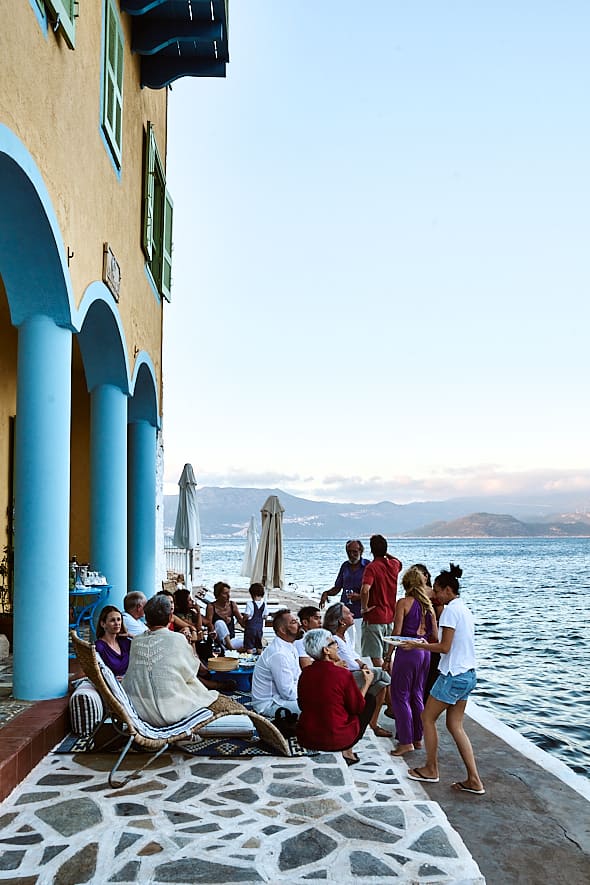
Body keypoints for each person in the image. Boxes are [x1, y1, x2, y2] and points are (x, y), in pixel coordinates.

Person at [402, 563, 485, 795]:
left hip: (453, 675)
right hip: (468, 675)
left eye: (437, 590)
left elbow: (444, 647)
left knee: (426, 718)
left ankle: (431, 768)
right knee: (454, 725)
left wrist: (416, 645)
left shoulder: (449, 610)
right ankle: (474, 780)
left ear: (448, 590)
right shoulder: (464, 609)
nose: (434, 594)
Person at [122, 594, 218, 727]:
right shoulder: (177, 639)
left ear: (147, 619)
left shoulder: (136, 641)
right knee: (197, 688)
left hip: (138, 709)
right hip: (171, 710)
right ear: (169, 618)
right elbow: (191, 671)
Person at [297, 628, 375, 765]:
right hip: (335, 739)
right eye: (333, 643)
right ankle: (348, 751)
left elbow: (302, 705)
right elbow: (357, 707)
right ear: (326, 650)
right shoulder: (342, 674)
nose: (337, 646)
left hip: (307, 736)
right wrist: (367, 683)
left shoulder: (306, 673)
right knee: (369, 700)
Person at [323, 602, 392, 738]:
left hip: (353, 673)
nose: (353, 614)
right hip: (345, 677)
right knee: (382, 673)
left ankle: (374, 724)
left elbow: (355, 656)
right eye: (348, 613)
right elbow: (351, 664)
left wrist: (363, 665)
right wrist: (362, 666)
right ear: (341, 621)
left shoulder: (345, 635)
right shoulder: (335, 640)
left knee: (381, 686)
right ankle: (394, 708)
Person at [389, 566, 437, 755]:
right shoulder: (428, 605)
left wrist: (388, 655)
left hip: (408, 650)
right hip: (424, 650)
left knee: (400, 696)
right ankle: (418, 738)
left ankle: (405, 741)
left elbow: (397, 632)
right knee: (417, 694)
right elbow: (434, 633)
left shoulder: (404, 603)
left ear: (406, 584)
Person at [360, 534, 402, 666]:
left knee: (376, 657)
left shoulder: (372, 567)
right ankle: (392, 683)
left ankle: (386, 684)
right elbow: (399, 561)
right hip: (390, 616)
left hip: (374, 617)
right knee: (387, 656)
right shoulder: (394, 565)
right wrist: (385, 553)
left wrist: (364, 607)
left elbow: (365, 589)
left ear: (371, 550)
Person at [319, 540, 369, 652]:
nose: (352, 555)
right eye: (349, 552)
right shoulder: (345, 566)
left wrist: (359, 596)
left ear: (361, 551)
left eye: (355, 552)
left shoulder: (367, 566)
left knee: (361, 642)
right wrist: (326, 593)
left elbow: (375, 590)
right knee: (346, 642)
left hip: (362, 612)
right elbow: (337, 587)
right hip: (345, 612)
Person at [251, 609, 301, 717]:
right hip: (269, 704)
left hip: (282, 699)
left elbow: (298, 677)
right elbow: (288, 694)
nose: (299, 624)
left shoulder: (290, 646)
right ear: (282, 630)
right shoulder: (278, 654)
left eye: (297, 621)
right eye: (293, 622)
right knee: (316, 707)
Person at [205, 581, 246, 651]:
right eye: (225, 593)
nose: (228, 596)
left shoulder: (232, 605)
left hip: (232, 640)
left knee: (250, 646)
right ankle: (231, 649)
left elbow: (242, 623)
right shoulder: (211, 607)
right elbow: (209, 625)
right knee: (219, 623)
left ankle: (230, 648)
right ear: (218, 594)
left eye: (229, 593)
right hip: (217, 642)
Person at [95, 605, 131, 678]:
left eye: (119, 619)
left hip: (128, 681)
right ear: (103, 624)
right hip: (111, 685)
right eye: (112, 620)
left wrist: (131, 635)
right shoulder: (99, 647)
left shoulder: (125, 642)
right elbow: (95, 672)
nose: (117, 623)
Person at [242, 582, 268, 653]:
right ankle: (259, 657)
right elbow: (265, 616)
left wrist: (243, 620)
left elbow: (247, 615)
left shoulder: (250, 604)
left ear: (252, 594)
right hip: (259, 629)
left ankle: (249, 659)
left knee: (249, 646)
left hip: (250, 629)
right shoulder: (264, 604)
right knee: (259, 646)